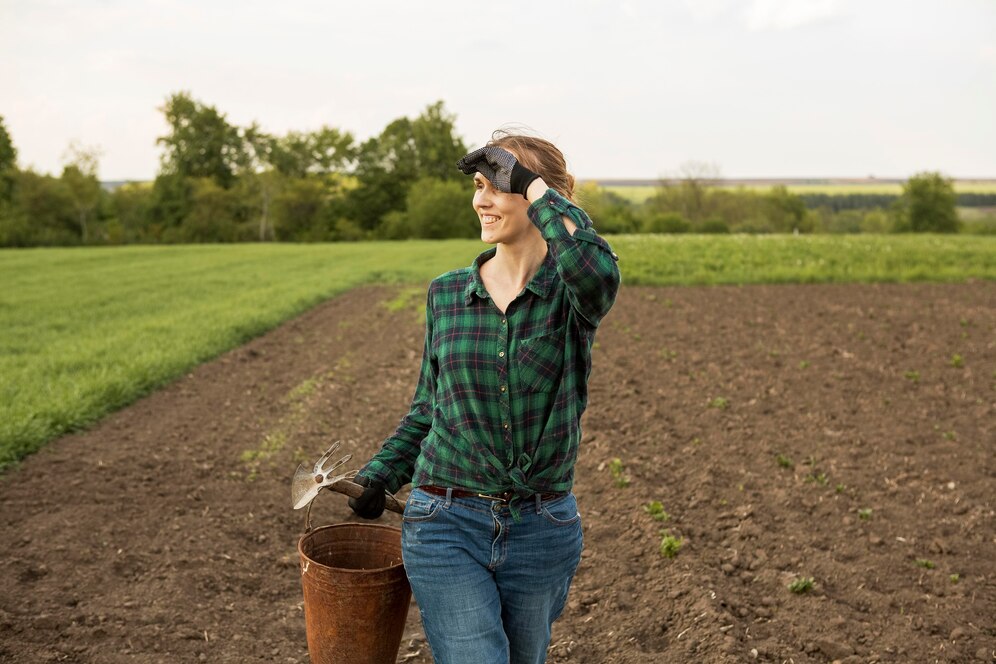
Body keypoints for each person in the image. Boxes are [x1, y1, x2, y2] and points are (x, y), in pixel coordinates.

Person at [349, 130, 621, 664]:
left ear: (544, 194)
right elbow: (431, 407)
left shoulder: (572, 294)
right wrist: (381, 474)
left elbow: (595, 268)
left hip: (542, 528)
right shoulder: (448, 293)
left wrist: (536, 188)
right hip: (444, 522)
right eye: (478, 185)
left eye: (500, 184)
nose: (482, 199)